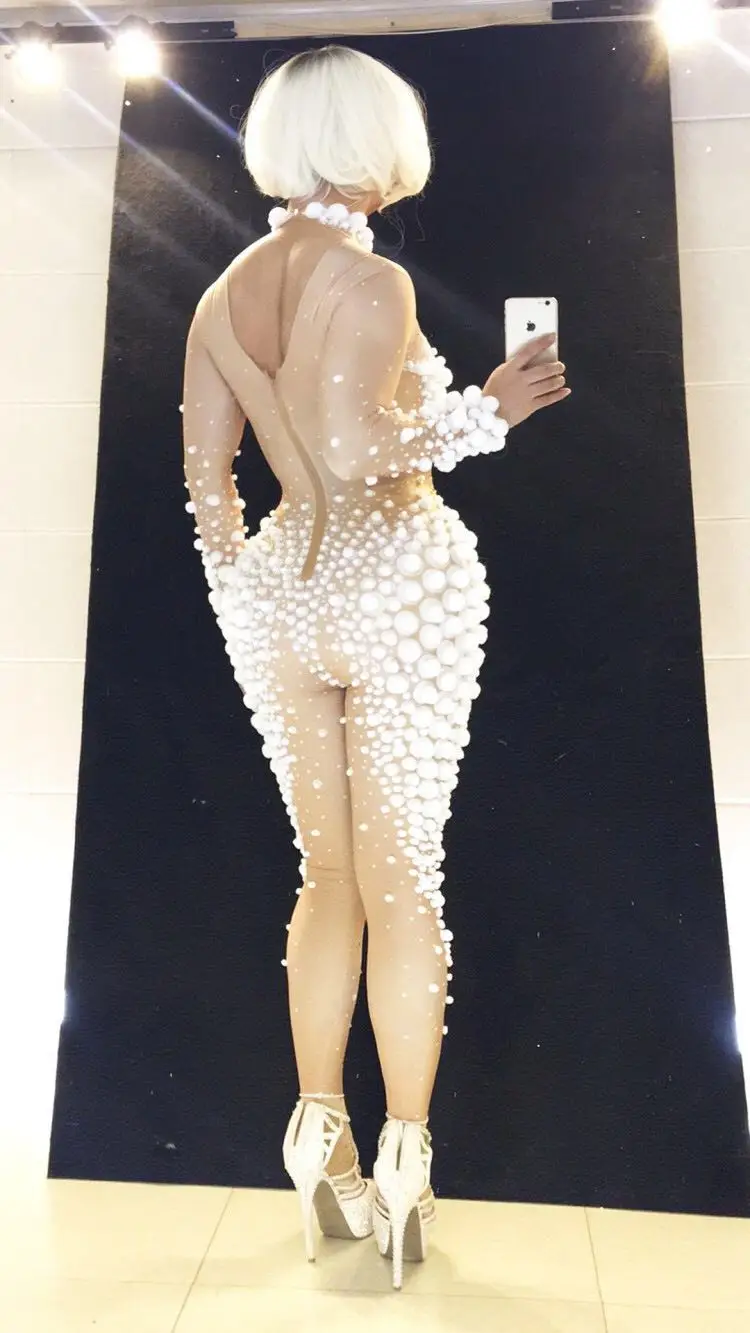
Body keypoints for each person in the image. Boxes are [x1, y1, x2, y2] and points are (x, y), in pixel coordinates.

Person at [182, 43, 570, 1290]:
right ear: (375, 143)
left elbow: (207, 482)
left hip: (281, 596)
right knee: (403, 880)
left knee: (329, 874)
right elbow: (360, 447)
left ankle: (319, 1136)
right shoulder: (370, 279)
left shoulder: (222, 295)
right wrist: (490, 408)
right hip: (397, 580)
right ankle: (405, 1155)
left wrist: (243, 595)